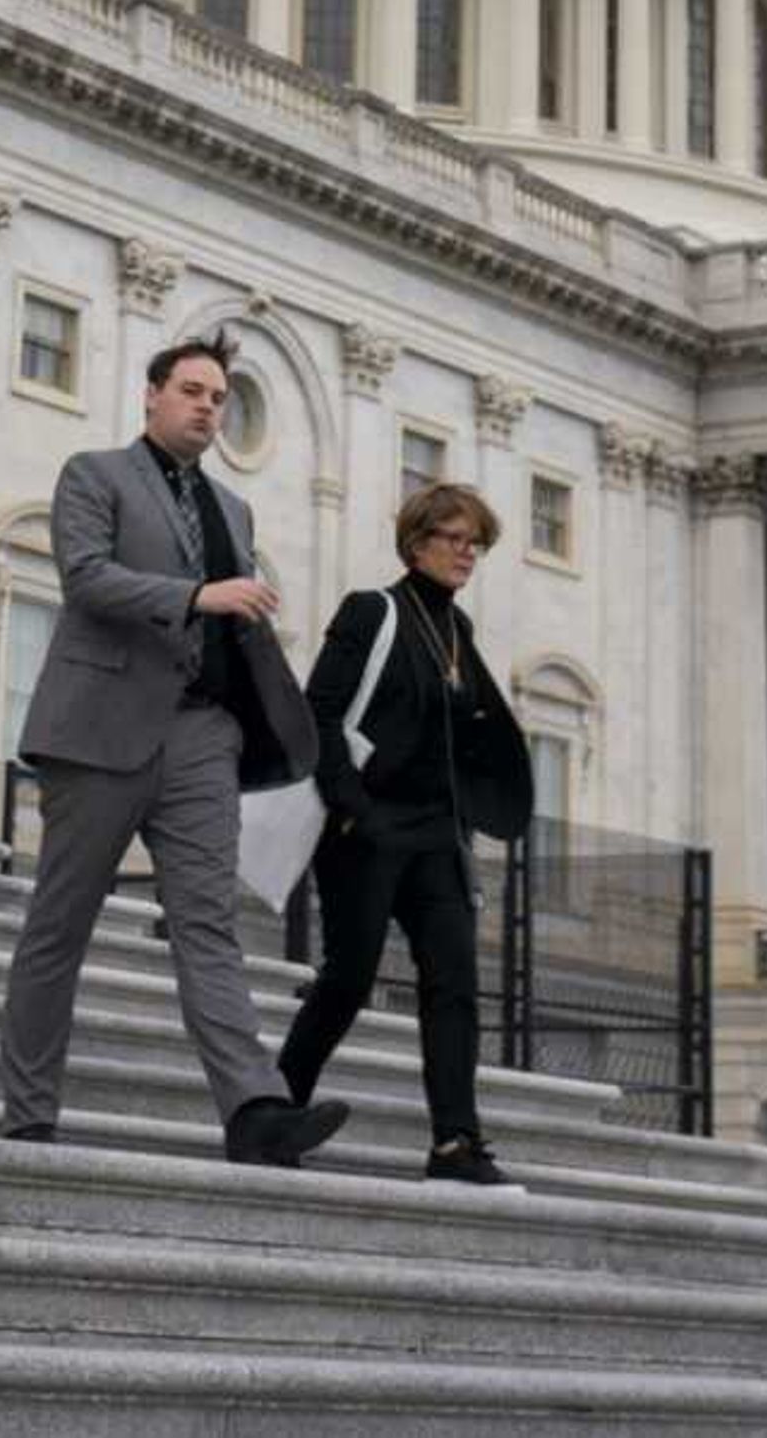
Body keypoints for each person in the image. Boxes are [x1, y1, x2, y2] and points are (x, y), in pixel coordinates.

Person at [0, 333, 350, 1167]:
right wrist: (199, 594)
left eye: (219, 397)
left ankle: (256, 1109)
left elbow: (238, 619)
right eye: (191, 390)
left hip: (200, 736)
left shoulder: (235, 510)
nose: (206, 407)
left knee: (209, 927)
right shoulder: (95, 473)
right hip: (99, 728)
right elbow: (86, 578)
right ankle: (30, 1110)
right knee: (59, 926)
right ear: (152, 395)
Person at [276, 481, 535, 1185]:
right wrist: (354, 806)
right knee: (348, 979)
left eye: (475, 540)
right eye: (454, 537)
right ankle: (274, 1106)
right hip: (369, 829)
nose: (467, 552)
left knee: (453, 983)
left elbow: (474, 731)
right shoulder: (373, 612)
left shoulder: (459, 632)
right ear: (417, 541)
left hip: (435, 839)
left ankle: (455, 1141)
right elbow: (318, 712)